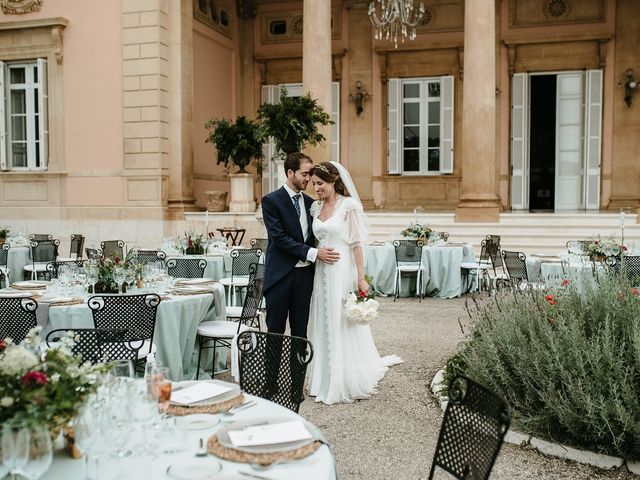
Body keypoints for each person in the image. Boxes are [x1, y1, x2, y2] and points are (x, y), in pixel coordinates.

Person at [307, 161, 402, 405]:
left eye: (321, 184)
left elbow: (357, 244)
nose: (316, 188)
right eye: (314, 184)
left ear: (333, 181)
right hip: (321, 270)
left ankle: (343, 378)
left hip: (342, 270)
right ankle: (323, 379)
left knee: (342, 320)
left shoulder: (348, 206)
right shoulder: (315, 208)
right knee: (323, 318)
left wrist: (361, 277)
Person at [261, 152, 340, 338]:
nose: (309, 178)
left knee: (300, 331)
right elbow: (278, 238)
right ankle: (272, 369)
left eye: (310, 174)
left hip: (305, 276)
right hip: (280, 275)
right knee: (275, 332)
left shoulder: (311, 204)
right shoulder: (271, 201)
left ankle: (298, 369)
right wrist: (314, 253)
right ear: (290, 173)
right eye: (305, 174)